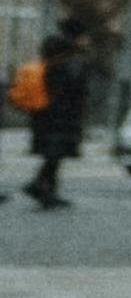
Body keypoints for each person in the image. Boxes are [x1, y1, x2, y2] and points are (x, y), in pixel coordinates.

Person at [14, 14, 88, 210]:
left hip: (44, 111)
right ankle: (40, 186)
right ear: (78, 35)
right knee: (55, 154)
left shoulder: (52, 53)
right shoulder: (72, 56)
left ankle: (47, 190)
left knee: (53, 154)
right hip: (62, 114)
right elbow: (75, 86)